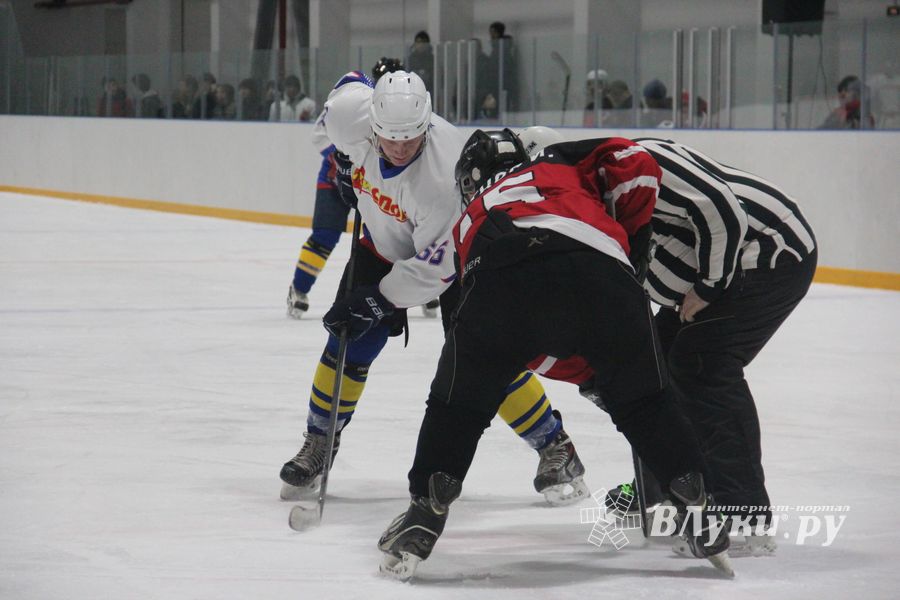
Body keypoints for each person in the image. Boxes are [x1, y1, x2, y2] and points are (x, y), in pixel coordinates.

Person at [377, 128, 733, 580]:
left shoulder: (467, 220)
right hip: (605, 272)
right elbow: (636, 163)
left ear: (470, 180)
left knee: (456, 407)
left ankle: (426, 510)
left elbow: (521, 343)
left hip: (501, 274)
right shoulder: (559, 165)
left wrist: (584, 373)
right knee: (648, 405)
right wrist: (631, 242)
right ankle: (696, 501)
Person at [278, 71, 588, 508]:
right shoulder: (353, 116)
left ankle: (556, 446)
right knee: (347, 342)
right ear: (371, 126)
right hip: (382, 241)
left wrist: (378, 299)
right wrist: (342, 161)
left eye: (412, 138)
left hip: (460, 255)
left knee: (481, 355)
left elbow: (434, 269)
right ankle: (319, 443)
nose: (401, 148)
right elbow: (348, 82)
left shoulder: (443, 176)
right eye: (390, 139)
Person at [599, 136, 818, 555]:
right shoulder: (582, 201)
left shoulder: (638, 162)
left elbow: (722, 208)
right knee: (652, 367)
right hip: (719, 266)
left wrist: (709, 287)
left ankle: (743, 516)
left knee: (702, 365)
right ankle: (670, 490)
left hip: (772, 250)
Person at [286, 58, 442, 320]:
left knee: (390, 236)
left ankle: (422, 292)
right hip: (336, 178)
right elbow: (320, 134)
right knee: (325, 235)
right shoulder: (360, 101)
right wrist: (344, 160)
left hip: (377, 183)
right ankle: (298, 290)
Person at [488, 21, 520, 114]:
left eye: (493, 32)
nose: (491, 35)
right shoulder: (498, 49)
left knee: (501, 107)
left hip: (503, 85)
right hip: (497, 84)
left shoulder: (502, 50)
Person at [406, 31, 434, 95]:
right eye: (418, 42)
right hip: (413, 91)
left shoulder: (432, 60)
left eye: (424, 42)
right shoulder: (410, 60)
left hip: (429, 91)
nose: (421, 45)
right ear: (415, 44)